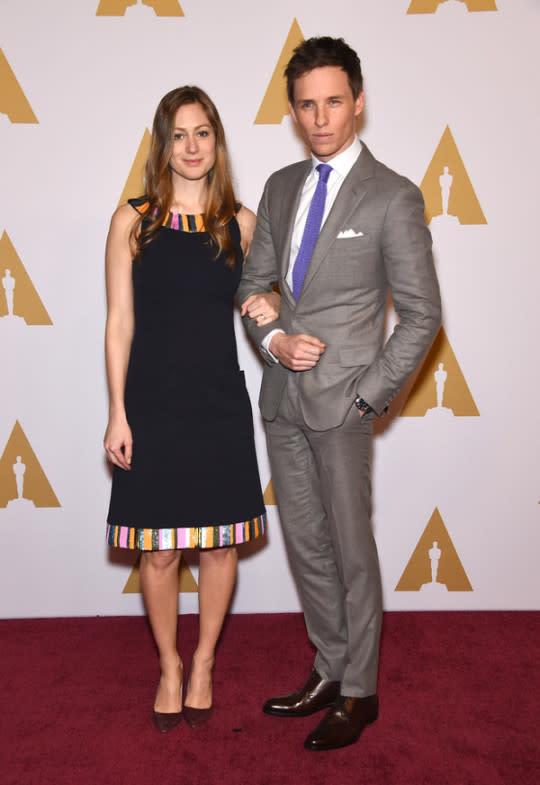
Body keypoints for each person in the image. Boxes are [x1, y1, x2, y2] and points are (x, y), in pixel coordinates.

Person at [238, 37, 441, 751]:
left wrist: (369, 396)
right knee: (307, 544)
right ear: (293, 112)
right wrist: (274, 342)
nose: (320, 117)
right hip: (283, 401)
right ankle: (328, 666)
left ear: (357, 100)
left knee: (352, 550)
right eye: (306, 104)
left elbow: (421, 316)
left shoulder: (393, 195)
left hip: (344, 405)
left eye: (333, 101)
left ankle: (361, 690)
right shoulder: (280, 187)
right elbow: (252, 286)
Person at [103, 86, 277, 733]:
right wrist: (117, 410)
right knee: (157, 552)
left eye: (203, 132)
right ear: (163, 144)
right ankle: (169, 665)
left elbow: (268, 311)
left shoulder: (243, 223)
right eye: (179, 134)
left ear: (217, 140)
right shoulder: (133, 220)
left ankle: (204, 661)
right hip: (151, 403)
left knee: (221, 546)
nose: (192, 146)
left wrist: (277, 309)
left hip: (218, 404)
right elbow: (119, 323)